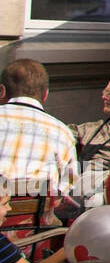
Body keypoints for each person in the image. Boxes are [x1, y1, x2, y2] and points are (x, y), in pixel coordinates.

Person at [0, 59, 78, 197]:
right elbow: (69, 184)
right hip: (35, 215)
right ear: (45, 95)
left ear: (1, 91)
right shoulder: (62, 132)